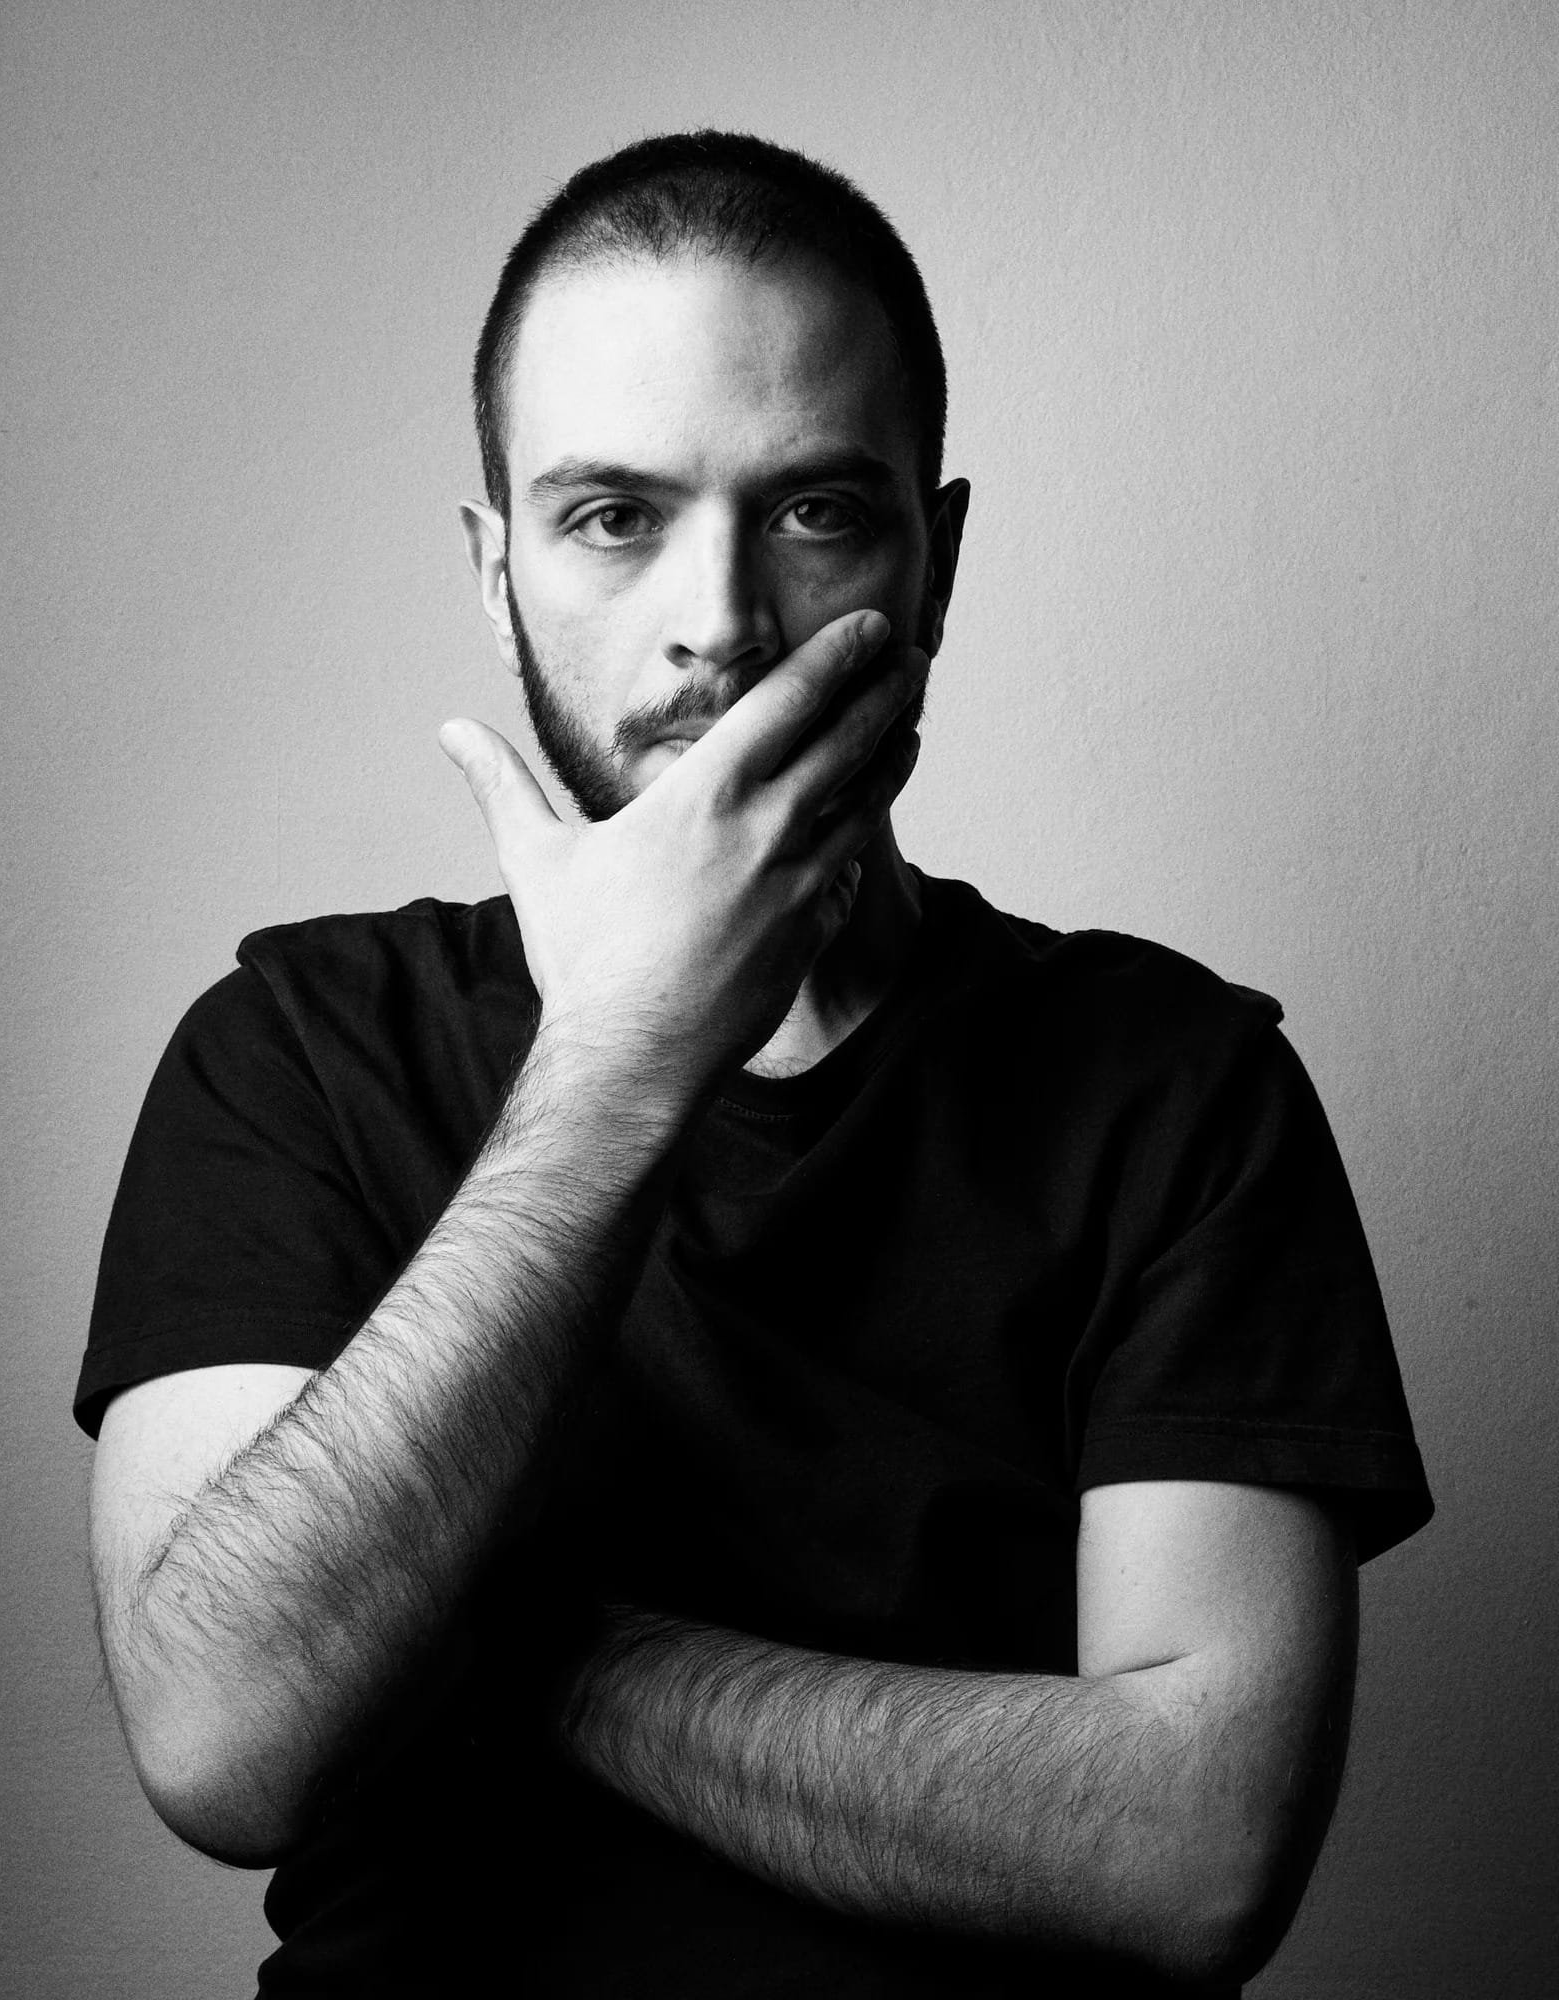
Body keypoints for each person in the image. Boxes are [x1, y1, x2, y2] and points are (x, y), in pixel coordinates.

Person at [78, 131, 1431, 1998]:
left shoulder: (1177, 1086)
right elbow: (226, 1739)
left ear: (936, 563)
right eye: (610, 517)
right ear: (495, 569)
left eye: (812, 510)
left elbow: (1196, 1856)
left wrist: (503, 1639)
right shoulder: (296, 1052)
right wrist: (623, 1066)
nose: (718, 621)